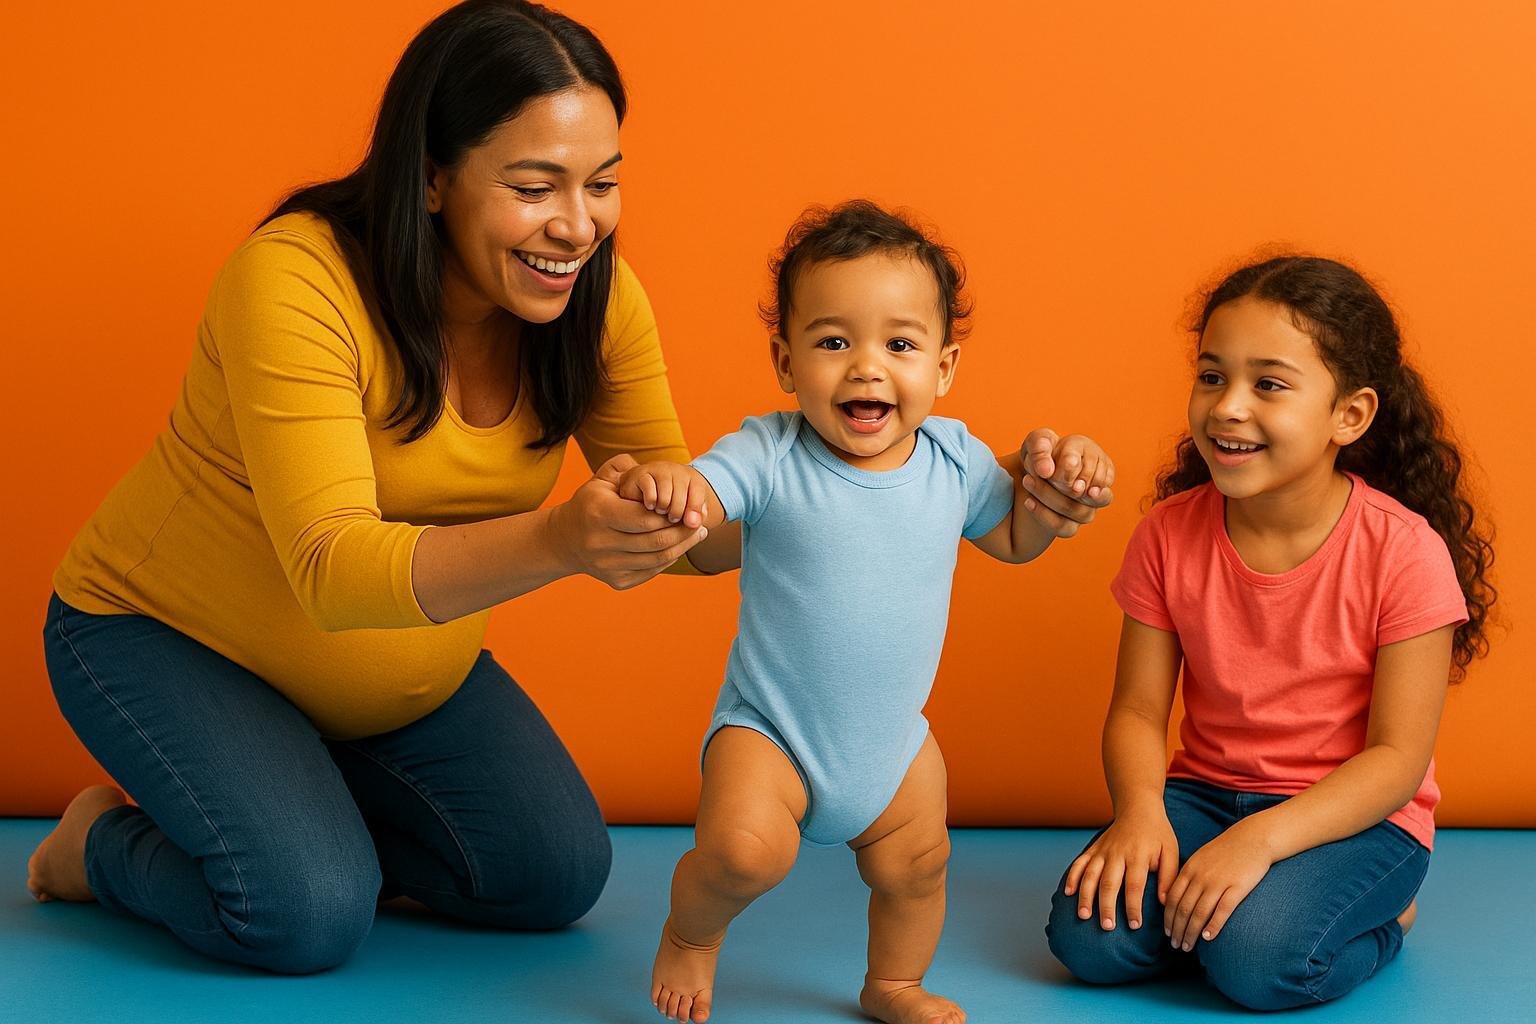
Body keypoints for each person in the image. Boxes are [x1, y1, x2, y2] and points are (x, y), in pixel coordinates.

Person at [27, 0, 717, 973]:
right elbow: (332, 566)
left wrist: (870, 476)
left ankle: (294, 804)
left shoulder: (593, 299)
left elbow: (685, 513)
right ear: (434, 177)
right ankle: (99, 848)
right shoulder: (296, 281)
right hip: (164, 636)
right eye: (534, 185)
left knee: (552, 875)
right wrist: (563, 541)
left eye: (603, 183)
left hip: (394, 676)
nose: (578, 224)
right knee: (304, 914)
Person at [619, 200, 1115, 1024]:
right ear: (785, 359)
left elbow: (1018, 537)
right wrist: (671, 488)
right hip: (770, 730)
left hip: (892, 743)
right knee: (743, 854)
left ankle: (892, 984)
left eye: (900, 344)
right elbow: (706, 493)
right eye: (833, 341)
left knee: (918, 865)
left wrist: (1063, 481)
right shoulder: (770, 451)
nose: (866, 368)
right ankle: (692, 935)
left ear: (945, 366)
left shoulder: (955, 459)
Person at [1045, 255, 1496, 1009]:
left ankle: (1385, 921)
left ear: (1348, 416)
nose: (1227, 407)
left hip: (1357, 819)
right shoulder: (1166, 534)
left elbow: (1396, 759)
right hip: (1204, 797)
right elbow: (1136, 709)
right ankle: (1213, 913)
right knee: (1089, 940)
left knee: (1259, 963)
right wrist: (1140, 814)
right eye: (1213, 376)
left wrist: (1259, 843)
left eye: (1270, 385)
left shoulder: (1404, 550)